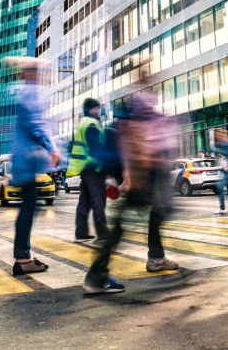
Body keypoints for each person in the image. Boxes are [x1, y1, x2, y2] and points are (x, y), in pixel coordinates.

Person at [84, 62, 178, 294]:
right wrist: (130, 175)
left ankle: (155, 257)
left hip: (148, 171)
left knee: (153, 214)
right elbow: (130, 140)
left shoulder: (145, 104)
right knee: (126, 223)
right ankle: (97, 275)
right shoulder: (137, 105)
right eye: (147, 73)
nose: (151, 76)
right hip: (144, 172)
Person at [9, 57, 60, 275]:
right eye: (37, 72)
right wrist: (51, 148)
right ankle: (23, 258)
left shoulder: (17, 92)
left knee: (28, 207)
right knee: (28, 208)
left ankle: (23, 256)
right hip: (27, 160)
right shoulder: (29, 94)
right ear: (28, 74)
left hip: (23, 160)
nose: (40, 76)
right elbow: (36, 125)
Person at [68, 97, 109, 244]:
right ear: (90, 109)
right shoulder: (91, 124)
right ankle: (103, 234)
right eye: (96, 108)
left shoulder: (83, 123)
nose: (98, 111)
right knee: (98, 199)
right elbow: (95, 148)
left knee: (85, 200)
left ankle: (81, 233)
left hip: (85, 167)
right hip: (93, 167)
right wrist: (105, 165)